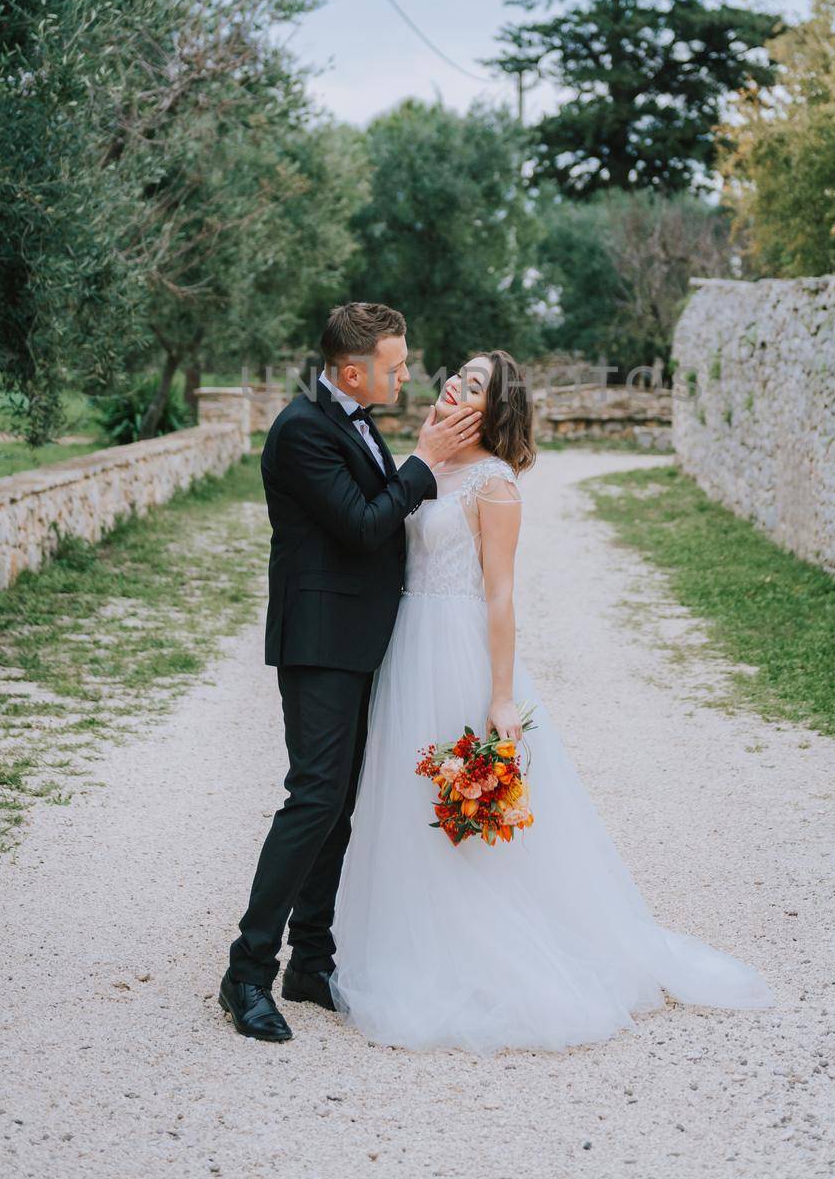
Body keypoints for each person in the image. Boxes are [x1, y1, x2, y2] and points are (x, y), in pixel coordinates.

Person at [324, 349, 775, 1051]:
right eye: (458, 374)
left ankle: (483, 950)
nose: (454, 384)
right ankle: (409, 937)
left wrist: (501, 696)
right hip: (403, 646)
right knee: (405, 800)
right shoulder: (424, 465)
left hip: (456, 648)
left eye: (474, 385)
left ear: (494, 410)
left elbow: (500, 593)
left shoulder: (494, 482)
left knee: (464, 804)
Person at [219, 302, 481, 1042]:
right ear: (353, 370)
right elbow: (366, 524)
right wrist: (425, 463)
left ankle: (311, 959)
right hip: (320, 642)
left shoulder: (353, 423)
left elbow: (376, 510)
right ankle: (246, 972)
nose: (406, 375)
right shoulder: (302, 431)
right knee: (312, 800)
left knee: (338, 807)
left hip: (359, 641)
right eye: (396, 366)